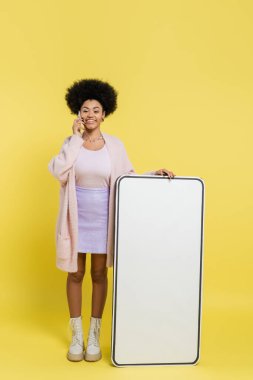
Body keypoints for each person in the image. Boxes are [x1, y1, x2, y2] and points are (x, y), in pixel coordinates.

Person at [48, 78, 175, 363]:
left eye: (96, 109)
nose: (90, 114)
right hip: (76, 219)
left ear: (104, 114)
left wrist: (153, 174)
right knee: (75, 274)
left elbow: (126, 177)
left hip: (103, 220)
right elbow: (58, 171)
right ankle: (77, 335)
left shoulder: (115, 146)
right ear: (77, 114)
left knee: (98, 275)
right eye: (84, 109)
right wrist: (75, 140)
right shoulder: (72, 143)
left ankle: (94, 334)